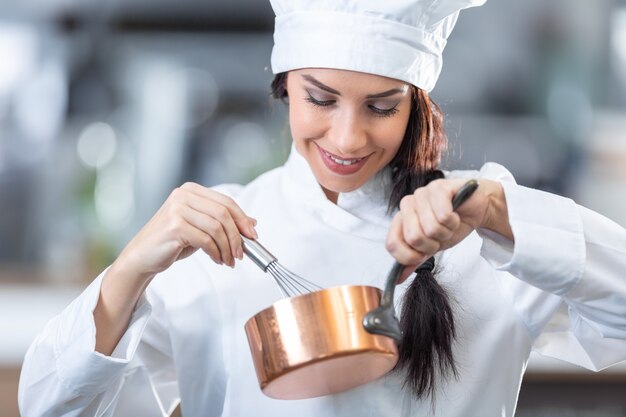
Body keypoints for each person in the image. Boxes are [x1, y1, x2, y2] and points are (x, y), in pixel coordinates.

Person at [18, 0, 626, 416]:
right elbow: (49, 407)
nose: (347, 138)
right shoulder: (219, 237)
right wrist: (129, 272)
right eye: (321, 99)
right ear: (284, 86)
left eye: (381, 107)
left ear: (416, 107)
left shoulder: (482, 225)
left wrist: (497, 211)